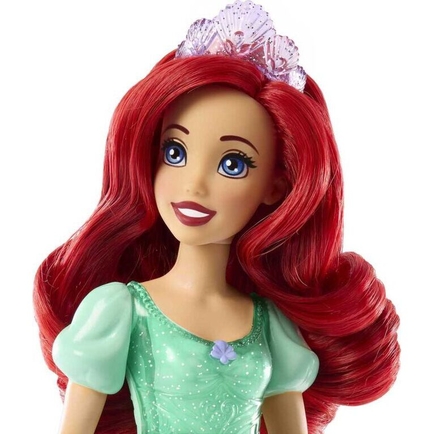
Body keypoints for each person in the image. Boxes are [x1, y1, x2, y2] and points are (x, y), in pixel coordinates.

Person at [33, 1, 400, 433]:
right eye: (175, 153)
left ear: (275, 187)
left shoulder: (270, 326)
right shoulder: (121, 310)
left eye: (233, 164)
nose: (193, 185)